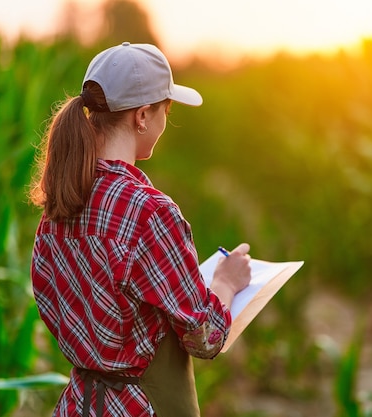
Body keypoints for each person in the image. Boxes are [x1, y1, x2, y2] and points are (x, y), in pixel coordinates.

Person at [28, 42, 252, 417]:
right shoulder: (151, 213)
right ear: (143, 116)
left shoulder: (55, 210)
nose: (166, 120)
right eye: (167, 110)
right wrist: (227, 283)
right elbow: (207, 336)